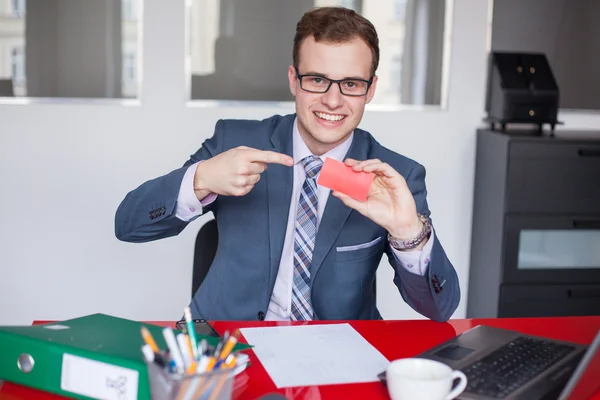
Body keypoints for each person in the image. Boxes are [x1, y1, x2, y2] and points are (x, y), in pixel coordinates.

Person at [115, 6, 460, 322]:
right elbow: (128, 226)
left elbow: (440, 309)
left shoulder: (394, 176)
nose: (333, 100)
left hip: (338, 352)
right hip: (227, 344)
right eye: (317, 80)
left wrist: (409, 234)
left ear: (370, 90)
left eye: (351, 84)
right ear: (294, 80)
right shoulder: (234, 142)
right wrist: (201, 179)